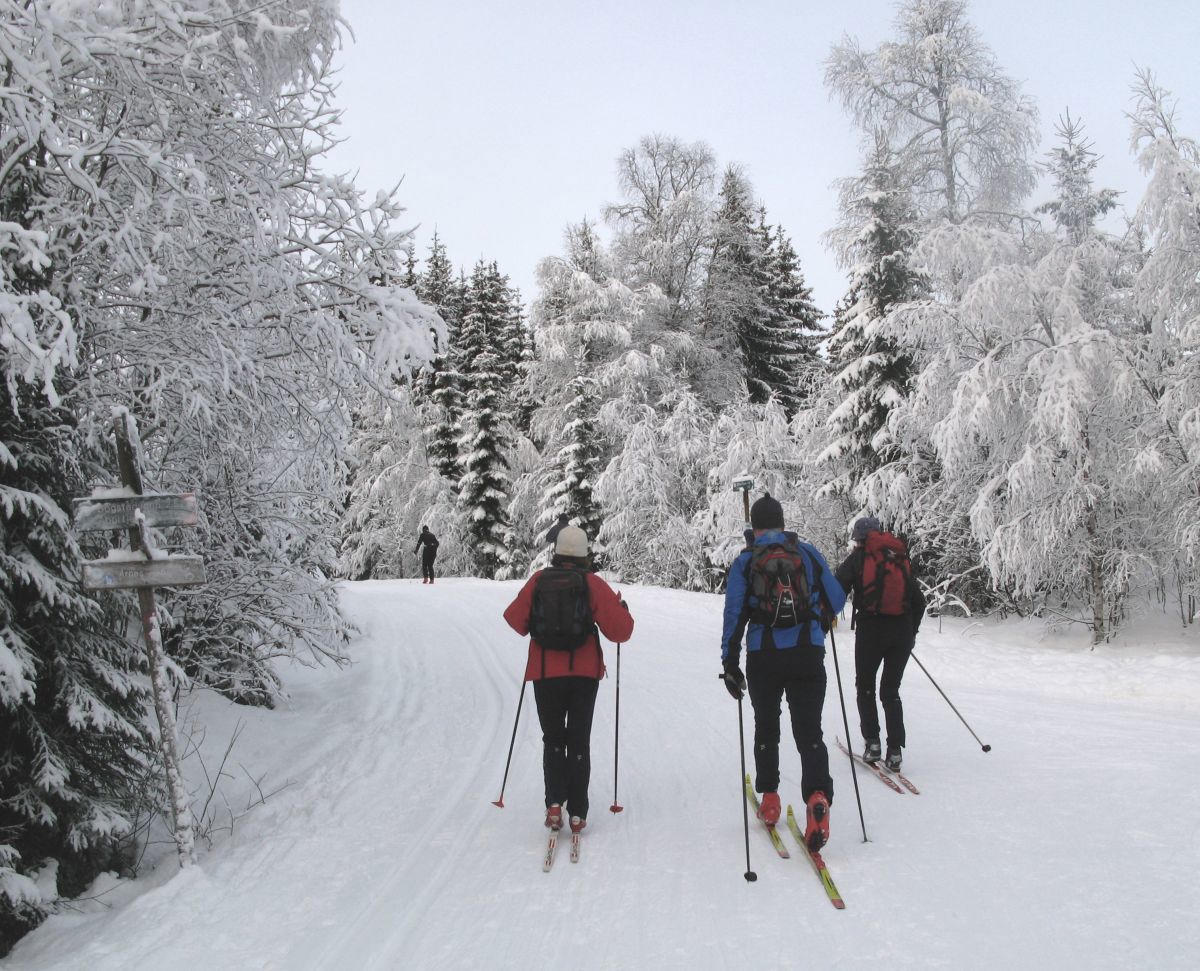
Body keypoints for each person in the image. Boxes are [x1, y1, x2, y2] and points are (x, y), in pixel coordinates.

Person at [720, 493, 846, 852]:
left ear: (754, 527)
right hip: (808, 651)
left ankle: (771, 799)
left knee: (766, 725)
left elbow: (734, 614)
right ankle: (817, 796)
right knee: (809, 731)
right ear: (782, 522)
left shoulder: (746, 561)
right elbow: (837, 598)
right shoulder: (805, 553)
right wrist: (818, 615)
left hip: (765, 656)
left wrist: (729, 663)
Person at [504, 525, 634, 835]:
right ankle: (577, 812)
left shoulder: (538, 581)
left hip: (545, 672)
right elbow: (621, 632)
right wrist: (621, 609)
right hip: (584, 673)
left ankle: (553, 804)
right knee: (578, 740)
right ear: (584, 554)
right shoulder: (592, 584)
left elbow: (514, 619)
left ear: (557, 552)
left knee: (553, 738)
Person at [835, 516, 927, 772]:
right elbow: (919, 602)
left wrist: (823, 615)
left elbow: (836, 589)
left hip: (871, 631)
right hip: (901, 633)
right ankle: (895, 751)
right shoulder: (898, 558)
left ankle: (873, 743)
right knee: (890, 691)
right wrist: (911, 633)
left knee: (865, 686)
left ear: (859, 539)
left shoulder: (858, 558)